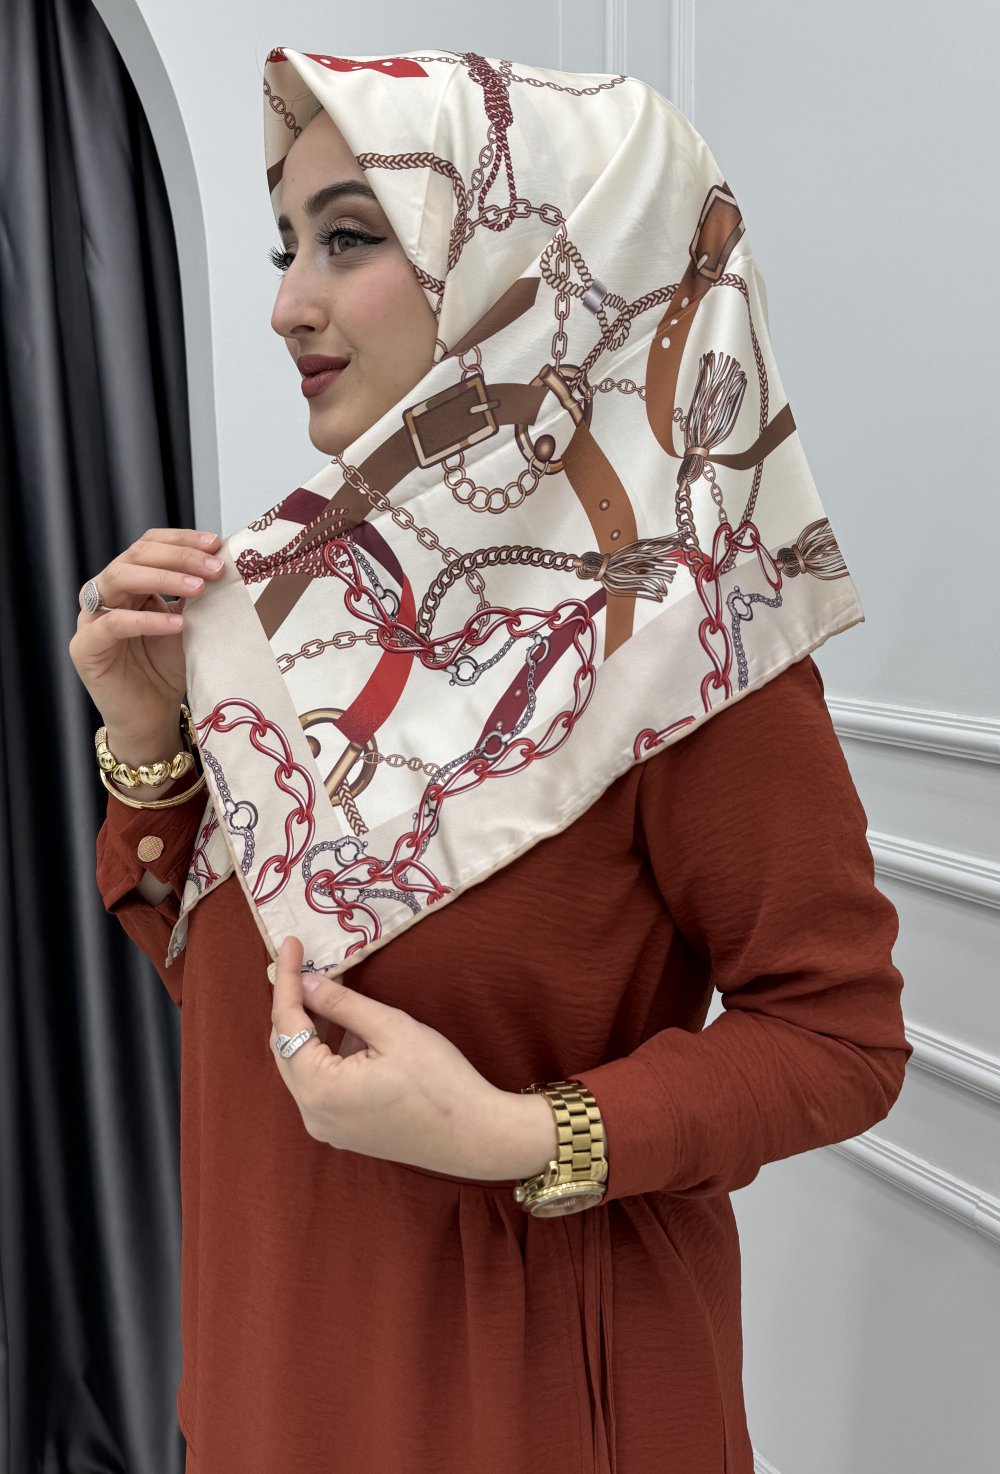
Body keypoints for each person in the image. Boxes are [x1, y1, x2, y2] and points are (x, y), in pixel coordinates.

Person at [69, 47, 911, 1474]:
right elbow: (246, 999)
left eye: (349, 237)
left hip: (518, 1402)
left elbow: (845, 1040)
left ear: (533, 264)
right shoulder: (295, 601)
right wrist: (149, 747)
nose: (286, 304)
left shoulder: (682, 638)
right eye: (285, 247)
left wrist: (526, 1133)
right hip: (278, 1368)